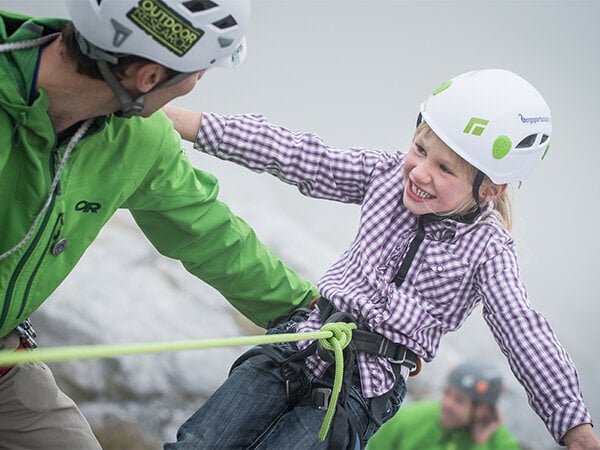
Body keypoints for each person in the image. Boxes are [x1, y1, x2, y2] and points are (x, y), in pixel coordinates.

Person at [162, 68, 600, 450]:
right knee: (200, 442)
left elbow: (522, 329)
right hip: (305, 338)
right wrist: (184, 123)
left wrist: (574, 427)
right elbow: (302, 157)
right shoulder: (386, 175)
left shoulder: (488, 250)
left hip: (364, 383)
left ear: (490, 189)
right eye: (421, 149)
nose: (421, 172)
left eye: (446, 170)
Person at [0, 1, 319, 448]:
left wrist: (312, 310)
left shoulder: (138, 140)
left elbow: (208, 234)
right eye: (200, 70)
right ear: (149, 77)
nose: (196, 83)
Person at [366, 360, 521, 450]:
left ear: (482, 410)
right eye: (447, 393)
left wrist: (479, 443)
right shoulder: (408, 420)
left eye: (459, 401)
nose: (446, 404)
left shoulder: (502, 443)